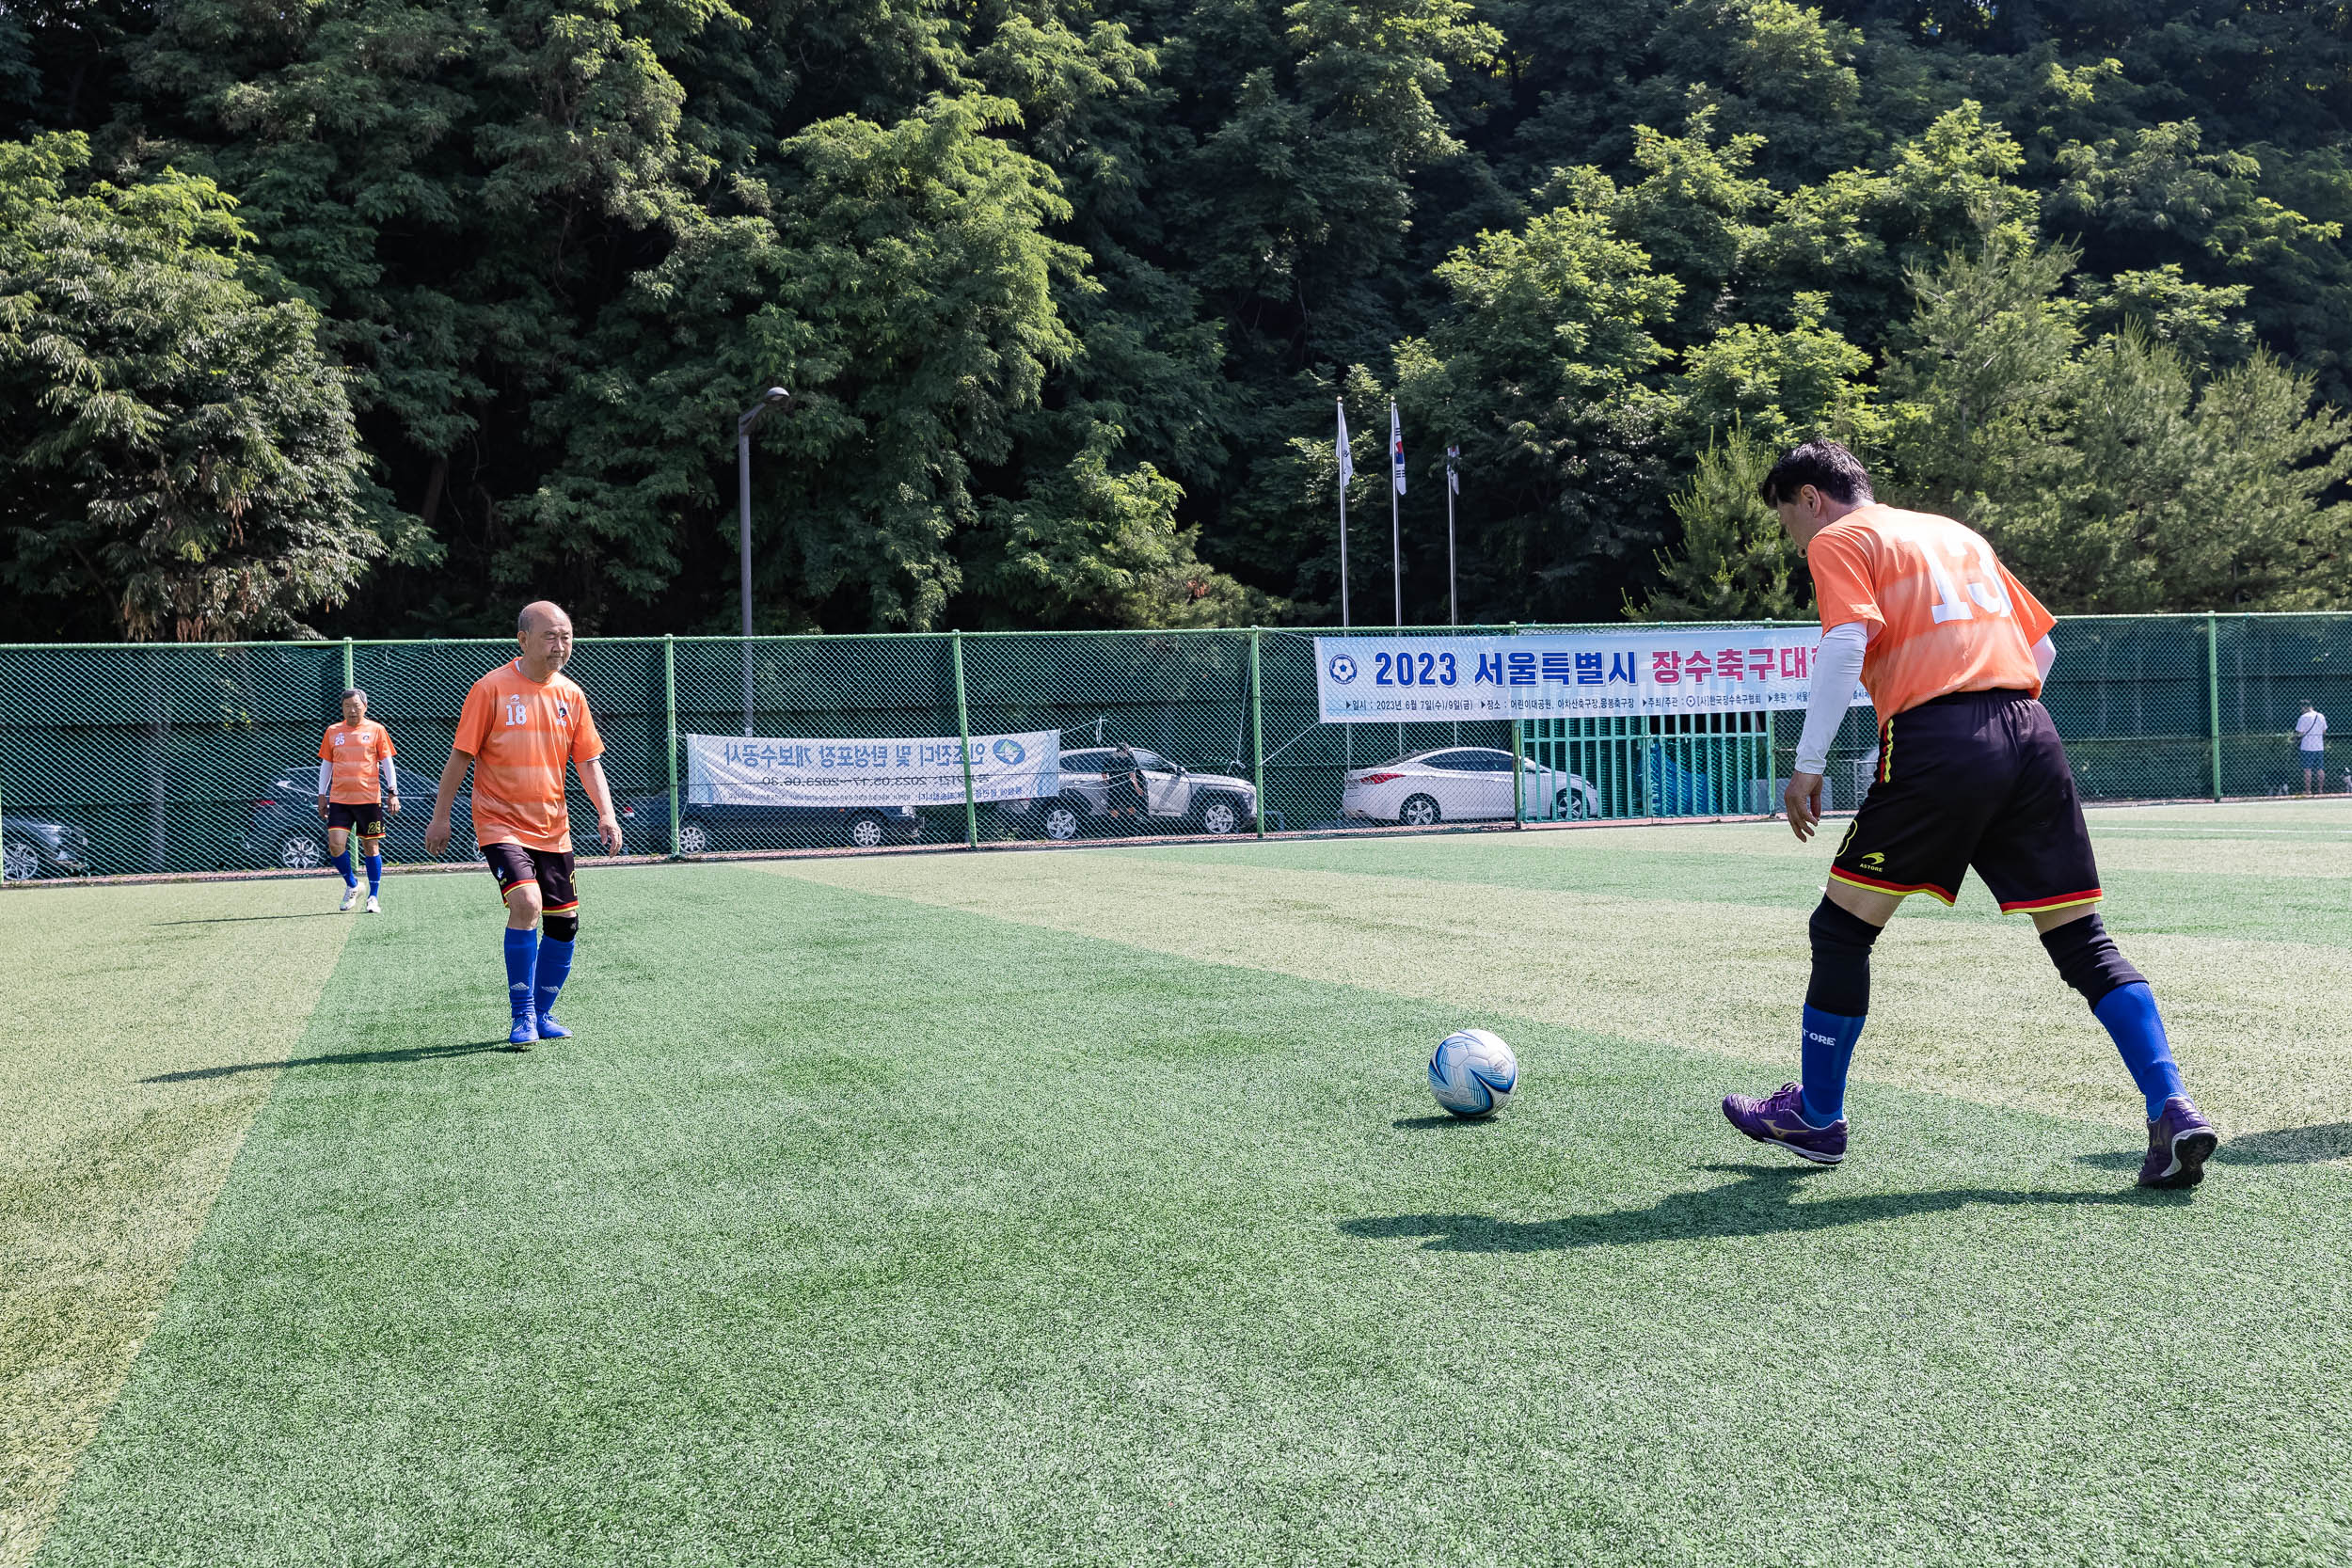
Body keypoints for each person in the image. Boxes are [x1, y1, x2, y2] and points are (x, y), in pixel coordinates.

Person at [1722, 441, 2219, 1190]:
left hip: (1939, 738)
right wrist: (2001, 736)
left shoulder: (1840, 539)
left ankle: (1819, 1117)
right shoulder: (1956, 533)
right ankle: (2171, 1104)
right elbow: (2041, 646)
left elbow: (1845, 642)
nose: (1796, 538)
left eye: (1788, 517)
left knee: (1842, 928)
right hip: (2028, 729)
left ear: (1811, 498)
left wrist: (1809, 763)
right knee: (2084, 942)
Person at [424, 602, 624, 1049]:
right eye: (550, 636)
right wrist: (441, 816)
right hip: (499, 822)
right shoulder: (490, 688)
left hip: (553, 827)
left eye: (567, 636)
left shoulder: (571, 695)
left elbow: (588, 762)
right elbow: (461, 756)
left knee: (564, 924)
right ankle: (524, 1016)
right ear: (523, 639)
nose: (560, 646)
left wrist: (606, 813)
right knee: (527, 904)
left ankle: (545, 1010)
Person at [317, 688, 398, 912]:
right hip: (340, 800)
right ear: (342, 709)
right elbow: (327, 765)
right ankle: (353, 885)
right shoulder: (333, 731)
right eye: (347, 707)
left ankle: (373, 897)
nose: (352, 710)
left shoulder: (377, 730)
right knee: (335, 844)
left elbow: (387, 762)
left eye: (356, 706)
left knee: (371, 847)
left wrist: (393, 792)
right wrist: (322, 794)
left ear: (365, 706)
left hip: (369, 799)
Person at [2296, 703, 2328, 794]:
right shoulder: (2321, 716)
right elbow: (2324, 731)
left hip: (2307, 746)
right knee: (2320, 769)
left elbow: (2300, 732)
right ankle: (2320, 790)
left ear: (2304, 707)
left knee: (2307, 769)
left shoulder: (2303, 717)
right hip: (2319, 746)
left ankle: (2308, 790)